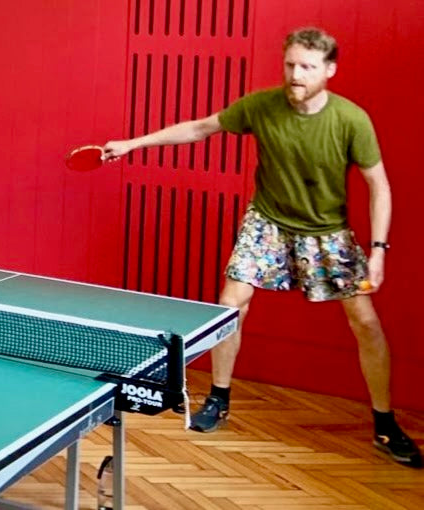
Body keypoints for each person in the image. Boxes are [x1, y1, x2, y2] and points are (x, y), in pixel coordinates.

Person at [102, 27, 422, 468]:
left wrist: (380, 249)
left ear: (329, 71)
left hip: (326, 231)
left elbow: (379, 186)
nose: (295, 74)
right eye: (290, 64)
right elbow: (200, 128)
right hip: (267, 222)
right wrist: (134, 144)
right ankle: (219, 398)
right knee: (231, 304)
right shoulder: (261, 106)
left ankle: (385, 425)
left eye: (307, 67)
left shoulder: (351, 120)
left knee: (365, 322)